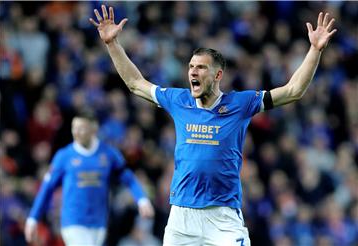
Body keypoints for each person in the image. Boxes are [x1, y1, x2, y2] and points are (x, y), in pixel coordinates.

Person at [90, 5, 336, 246]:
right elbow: (135, 83)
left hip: (223, 217)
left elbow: (293, 91)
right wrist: (112, 44)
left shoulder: (241, 103)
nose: (193, 72)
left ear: (218, 75)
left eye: (201, 67)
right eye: (190, 67)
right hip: (182, 217)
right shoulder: (179, 100)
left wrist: (315, 50)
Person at [25, 110, 155, 246]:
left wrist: (142, 199)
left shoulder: (109, 154)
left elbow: (128, 178)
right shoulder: (64, 156)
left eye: (82, 128)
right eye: (74, 128)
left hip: (99, 222)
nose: (76, 132)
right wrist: (33, 218)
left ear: (94, 129)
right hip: (73, 221)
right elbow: (47, 188)